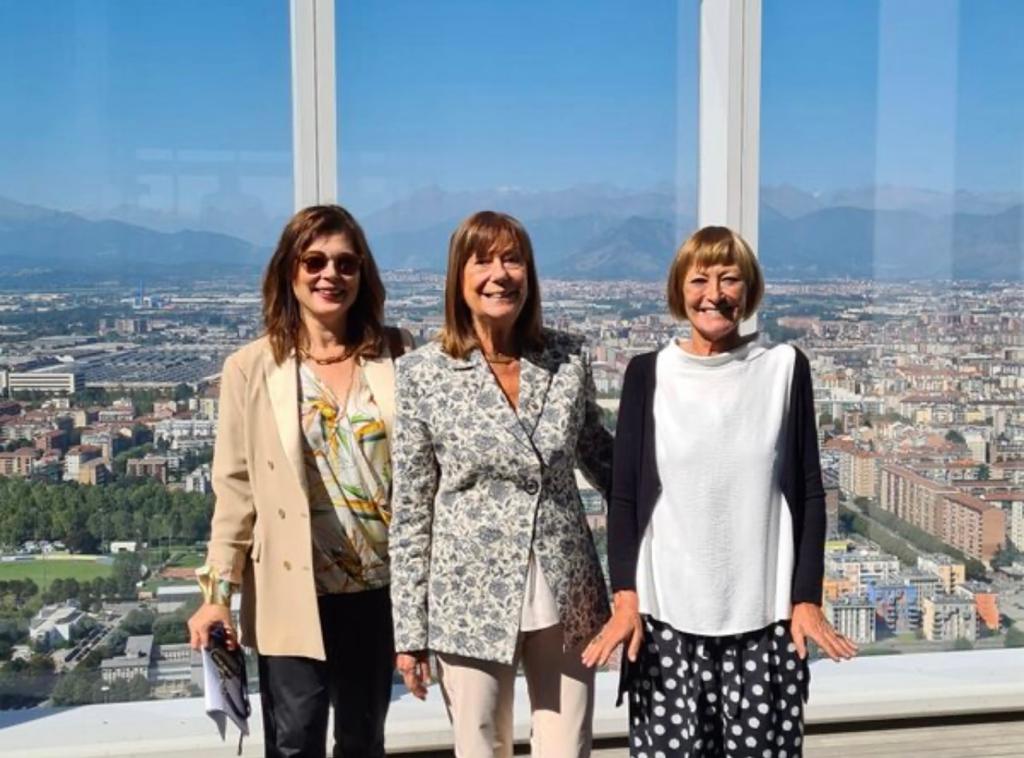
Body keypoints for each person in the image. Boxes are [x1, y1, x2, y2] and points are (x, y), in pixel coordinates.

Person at [583, 226, 857, 757]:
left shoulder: (783, 369)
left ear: (749, 290)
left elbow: (808, 492)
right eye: (700, 279)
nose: (715, 294)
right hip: (666, 625)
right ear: (679, 290)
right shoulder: (648, 374)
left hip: (763, 621)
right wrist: (626, 600)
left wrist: (805, 600)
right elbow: (625, 498)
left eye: (730, 279)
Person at [186, 205, 413, 758]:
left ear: (364, 274)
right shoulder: (251, 368)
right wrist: (217, 595)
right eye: (313, 261)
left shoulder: (397, 352)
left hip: (378, 590)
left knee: (364, 740)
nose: (329, 274)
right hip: (292, 588)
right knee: (295, 742)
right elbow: (235, 491)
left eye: (345, 263)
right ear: (290, 271)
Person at [389, 210, 613, 758]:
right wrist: (408, 634)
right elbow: (412, 512)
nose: (500, 273)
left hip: (566, 587)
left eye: (512, 259)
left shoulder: (567, 358)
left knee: (567, 748)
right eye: (483, 260)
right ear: (457, 277)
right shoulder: (423, 373)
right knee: (481, 748)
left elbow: (601, 459)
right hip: (468, 593)